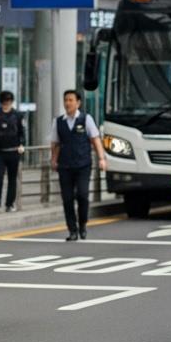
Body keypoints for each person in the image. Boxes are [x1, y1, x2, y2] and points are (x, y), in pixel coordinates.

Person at [50, 89, 108, 241]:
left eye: (71, 100)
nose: (67, 103)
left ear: (78, 103)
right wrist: (54, 160)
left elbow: (95, 139)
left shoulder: (85, 119)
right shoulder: (58, 122)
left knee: (82, 195)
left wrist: (101, 158)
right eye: (66, 100)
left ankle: (82, 224)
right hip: (65, 166)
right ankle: (72, 230)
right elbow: (55, 143)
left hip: (83, 165)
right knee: (67, 199)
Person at [0, 90, 26, 213]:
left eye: (8, 101)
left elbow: (22, 132)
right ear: (1, 102)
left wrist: (22, 144)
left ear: (11, 102)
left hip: (13, 151)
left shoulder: (18, 116)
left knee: (12, 178)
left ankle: (9, 204)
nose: (6, 103)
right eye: (4, 101)